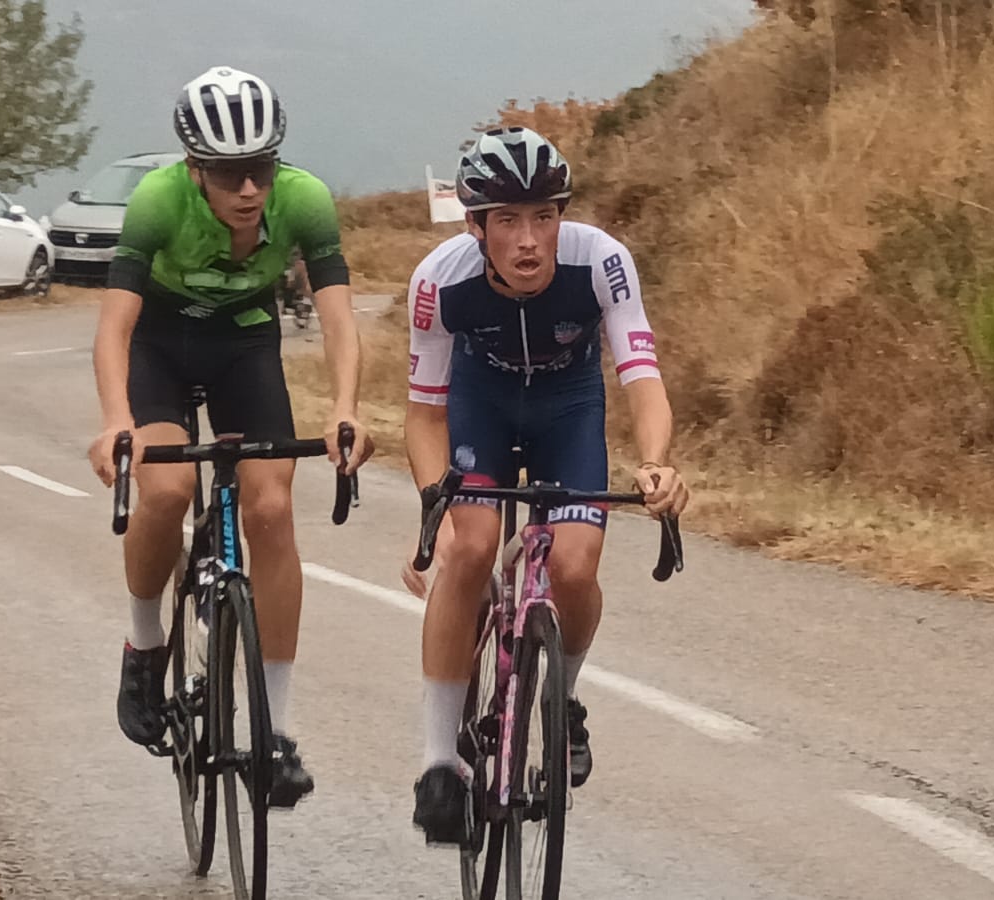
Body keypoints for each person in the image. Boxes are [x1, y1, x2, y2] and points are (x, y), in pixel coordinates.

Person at [86, 66, 372, 808]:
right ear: (194, 168)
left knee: (271, 510)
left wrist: (345, 407)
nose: (249, 189)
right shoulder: (157, 202)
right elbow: (115, 326)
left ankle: (274, 729)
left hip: (245, 345)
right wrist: (117, 420)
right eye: (229, 173)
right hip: (160, 350)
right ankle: (145, 646)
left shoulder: (305, 201)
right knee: (169, 487)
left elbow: (339, 318)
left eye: (261, 168)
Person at [400, 126, 690, 844]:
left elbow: (640, 374)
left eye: (544, 216)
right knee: (470, 551)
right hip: (482, 405)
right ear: (475, 226)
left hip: (567, 408)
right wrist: (435, 499)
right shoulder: (440, 280)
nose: (529, 240)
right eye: (507, 221)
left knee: (573, 563)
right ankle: (440, 762)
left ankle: (562, 694)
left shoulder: (602, 261)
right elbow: (422, 412)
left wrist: (656, 460)